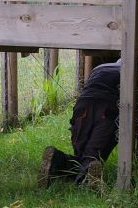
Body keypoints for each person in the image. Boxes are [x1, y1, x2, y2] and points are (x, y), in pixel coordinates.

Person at [38, 58, 123, 188]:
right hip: (107, 109)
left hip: (82, 107)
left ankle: (57, 160)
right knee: (94, 156)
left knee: (81, 154)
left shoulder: (100, 68)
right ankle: (87, 179)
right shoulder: (134, 71)